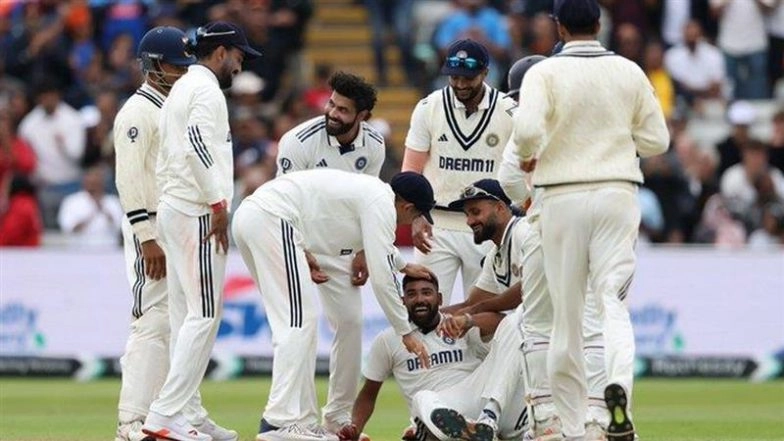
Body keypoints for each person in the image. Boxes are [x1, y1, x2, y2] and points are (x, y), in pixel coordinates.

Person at [513, 1, 670, 440]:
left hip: (562, 195)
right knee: (611, 303)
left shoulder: (544, 73)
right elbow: (656, 140)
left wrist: (529, 157)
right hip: (617, 192)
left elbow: (526, 132)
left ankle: (574, 425)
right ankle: (616, 384)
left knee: (566, 316)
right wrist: (618, 139)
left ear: (559, 27)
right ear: (601, 26)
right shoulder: (630, 71)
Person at [231, 169, 435, 441]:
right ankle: (279, 422)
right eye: (416, 216)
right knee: (297, 322)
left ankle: (299, 422)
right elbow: (382, 278)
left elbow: (382, 251)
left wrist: (403, 264)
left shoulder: (375, 195)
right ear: (407, 206)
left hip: (258, 219)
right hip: (272, 219)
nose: (411, 222)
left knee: (300, 321)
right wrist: (405, 331)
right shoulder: (381, 203)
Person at [141, 21, 261, 441]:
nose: (239, 67)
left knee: (184, 316)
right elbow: (195, 142)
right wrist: (217, 203)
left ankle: (187, 411)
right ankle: (165, 413)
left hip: (178, 208)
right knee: (204, 314)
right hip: (195, 211)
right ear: (222, 52)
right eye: (239, 58)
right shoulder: (206, 89)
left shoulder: (185, 87)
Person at [502, 54, 612, 441]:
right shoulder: (589, 114)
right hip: (591, 226)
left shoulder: (525, 123)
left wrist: (532, 201)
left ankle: (548, 419)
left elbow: (509, 182)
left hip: (545, 224)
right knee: (592, 324)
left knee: (538, 325)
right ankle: (598, 416)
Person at [273, 71, 386, 435]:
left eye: (343, 109)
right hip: (297, 244)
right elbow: (280, 204)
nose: (332, 113)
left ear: (363, 115)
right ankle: (297, 420)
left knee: (351, 323)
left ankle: (337, 418)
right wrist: (299, 250)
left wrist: (365, 250)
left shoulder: (374, 145)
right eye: (331, 104)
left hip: (340, 250)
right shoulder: (298, 142)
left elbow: (370, 203)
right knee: (300, 328)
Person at [111, 26, 198, 441]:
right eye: (172, 65)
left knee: (174, 323)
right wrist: (145, 235)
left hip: (177, 224)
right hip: (152, 227)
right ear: (151, 66)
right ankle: (131, 421)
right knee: (151, 319)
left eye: (183, 65)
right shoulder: (137, 112)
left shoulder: (173, 108)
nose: (180, 72)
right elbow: (128, 178)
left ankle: (161, 417)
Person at [402, 38, 517, 304]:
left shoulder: (510, 111)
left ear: (485, 72)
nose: (461, 85)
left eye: (469, 78)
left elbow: (524, 170)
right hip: (436, 224)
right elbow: (410, 171)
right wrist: (416, 214)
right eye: (455, 77)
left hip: (489, 226)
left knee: (483, 317)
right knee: (424, 311)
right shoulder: (428, 107)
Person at [338, 274, 512, 441]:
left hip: (475, 401)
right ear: (402, 301)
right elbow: (369, 393)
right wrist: (355, 427)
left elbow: (504, 324)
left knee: (516, 329)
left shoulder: (458, 324)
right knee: (422, 398)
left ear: (440, 299)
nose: (420, 299)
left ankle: (487, 423)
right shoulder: (388, 339)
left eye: (427, 292)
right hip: (435, 414)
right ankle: (460, 432)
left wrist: (469, 321)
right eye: (412, 294)